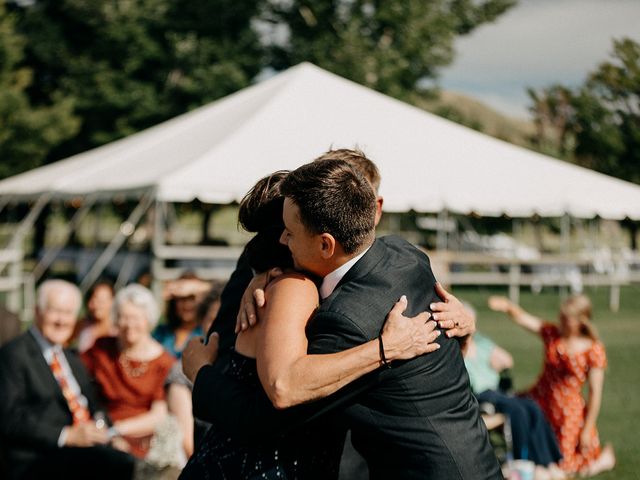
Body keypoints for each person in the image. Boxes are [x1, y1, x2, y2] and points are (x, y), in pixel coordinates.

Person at [184, 158, 501, 479]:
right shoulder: (403, 253)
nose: (283, 240)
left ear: (325, 243)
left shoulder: (348, 321)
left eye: (290, 233)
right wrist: (263, 273)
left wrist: (200, 372)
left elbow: (270, 410)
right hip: (476, 460)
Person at [0, 279, 135, 480]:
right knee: (117, 463)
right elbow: (9, 418)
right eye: (56, 311)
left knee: (124, 458)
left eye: (69, 313)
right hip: (39, 456)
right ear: (38, 311)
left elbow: (94, 405)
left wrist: (108, 434)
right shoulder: (14, 354)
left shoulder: (70, 358)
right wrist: (66, 435)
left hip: (84, 447)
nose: (62, 320)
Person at [488, 294, 616, 477]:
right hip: (539, 400)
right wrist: (508, 306)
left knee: (563, 464)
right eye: (561, 316)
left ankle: (603, 461)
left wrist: (587, 428)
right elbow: (525, 319)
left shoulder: (593, 350)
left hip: (567, 411)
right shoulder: (552, 334)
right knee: (535, 448)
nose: (562, 321)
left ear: (582, 319)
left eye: (567, 319)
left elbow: (595, 392)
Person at [462, 303, 565, 480]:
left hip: (497, 391)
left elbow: (507, 360)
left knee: (531, 405)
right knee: (517, 410)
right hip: (481, 395)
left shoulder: (482, 343)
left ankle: (549, 462)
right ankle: (522, 462)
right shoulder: (455, 348)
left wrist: (496, 361)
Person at [82, 283, 175, 459]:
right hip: (100, 434)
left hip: (144, 444)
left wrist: (116, 430)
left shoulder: (164, 363)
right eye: (124, 317)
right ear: (116, 319)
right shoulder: (102, 348)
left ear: (148, 320)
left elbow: (158, 416)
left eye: (136, 318)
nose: (130, 325)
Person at [166, 281, 225, 458]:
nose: (220, 326)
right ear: (202, 321)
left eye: (226, 319)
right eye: (213, 320)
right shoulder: (181, 371)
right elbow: (187, 442)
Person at [153, 273, 210, 358]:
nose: (187, 305)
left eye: (192, 298)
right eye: (181, 299)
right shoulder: (162, 332)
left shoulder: (207, 332)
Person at [74, 278, 116, 353]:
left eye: (101, 301)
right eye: (93, 299)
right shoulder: (83, 325)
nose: (96, 304)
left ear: (112, 302)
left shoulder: (117, 331)